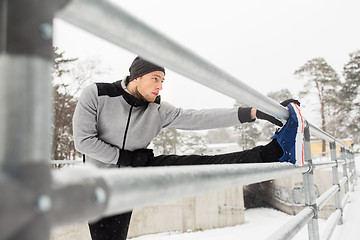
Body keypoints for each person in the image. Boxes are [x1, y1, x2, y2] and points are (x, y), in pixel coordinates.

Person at [73, 56, 303, 240]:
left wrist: (253, 112)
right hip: (98, 185)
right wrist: (127, 159)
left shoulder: (158, 110)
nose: (160, 86)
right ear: (137, 76)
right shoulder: (97, 94)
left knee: (203, 164)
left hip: (135, 173)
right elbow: (83, 141)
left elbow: (198, 118)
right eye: (155, 78)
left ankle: (274, 152)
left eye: (163, 80)